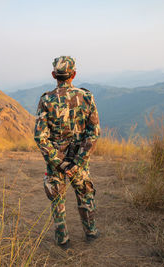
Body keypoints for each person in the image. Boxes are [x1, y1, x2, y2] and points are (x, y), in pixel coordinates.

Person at [34, 56, 101, 249]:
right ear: (74, 75)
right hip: (79, 162)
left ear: (54, 75)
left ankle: (62, 240)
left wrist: (59, 162)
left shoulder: (46, 100)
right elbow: (93, 133)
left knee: (57, 199)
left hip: (56, 163)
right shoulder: (86, 97)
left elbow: (40, 137)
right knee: (85, 195)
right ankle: (91, 233)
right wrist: (78, 162)